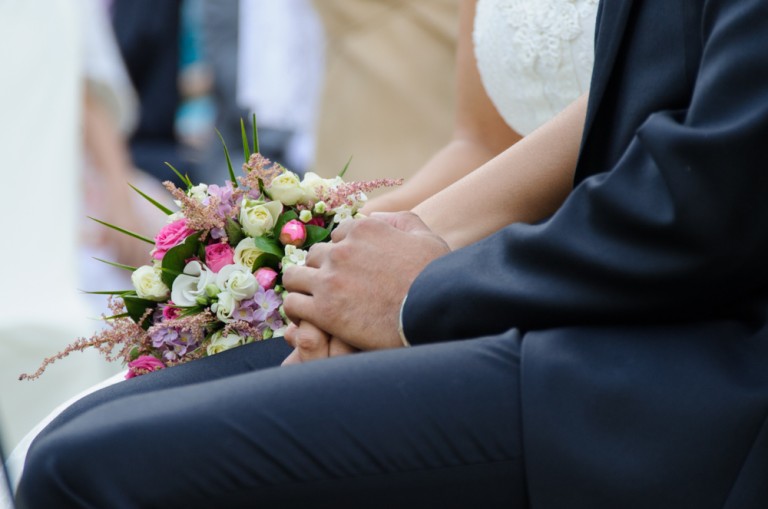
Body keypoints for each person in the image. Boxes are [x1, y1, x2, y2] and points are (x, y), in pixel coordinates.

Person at [16, 1, 768, 508]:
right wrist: (331, 270)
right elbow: (506, 137)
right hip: (550, 275)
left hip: (658, 353)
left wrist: (422, 290)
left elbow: (706, 189)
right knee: (67, 432)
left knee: (81, 468)